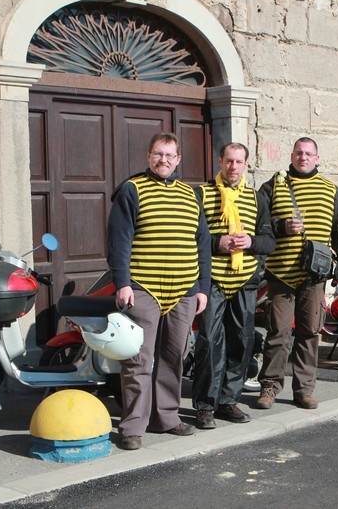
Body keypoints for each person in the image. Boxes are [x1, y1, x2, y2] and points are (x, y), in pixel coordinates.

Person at [107, 132, 211, 451]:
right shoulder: (131, 190)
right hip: (144, 288)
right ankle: (133, 426)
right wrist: (123, 282)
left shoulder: (191, 194)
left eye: (169, 155)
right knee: (139, 359)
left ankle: (165, 416)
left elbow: (203, 244)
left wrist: (202, 289)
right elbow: (119, 240)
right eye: (157, 154)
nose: (163, 160)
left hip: (183, 290)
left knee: (173, 356)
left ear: (178, 159)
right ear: (148, 156)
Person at [254, 137, 338, 410]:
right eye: (299, 153)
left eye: (309, 154)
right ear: (292, 155)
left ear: (317, 158)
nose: (304, 158)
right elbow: (257, 224)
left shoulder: (331, 191)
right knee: (277, 332)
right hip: (280, 274)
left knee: (309, 333)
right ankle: (270, 387)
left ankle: (304, 389)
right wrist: (281, 226)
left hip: (315, 276)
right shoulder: (274, 186)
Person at [192, 142, 275, 429]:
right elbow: (192, 236)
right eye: (229, 161)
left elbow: (269, 241)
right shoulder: (201, 194)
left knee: (242, 341)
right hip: (212, 279)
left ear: (246, 165)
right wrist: (218, 242)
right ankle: (205, 406)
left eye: (239, 162)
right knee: (210, 343)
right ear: (220, 161)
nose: (233, 167)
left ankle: (228, 401)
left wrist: (251, 242)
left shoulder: (256, 198)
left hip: (244, 281)